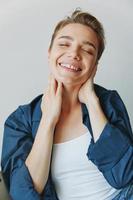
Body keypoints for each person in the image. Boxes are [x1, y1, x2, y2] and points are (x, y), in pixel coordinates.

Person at [1, 8, 133, 200]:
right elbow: (23, 194)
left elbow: (124, 176)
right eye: (64, 44)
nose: (74, 54)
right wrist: (48, 119)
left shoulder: (108, 101)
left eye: (87, 50)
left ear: (95, 65)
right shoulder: (19, 121)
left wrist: (92, 101)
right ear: (49, 53)